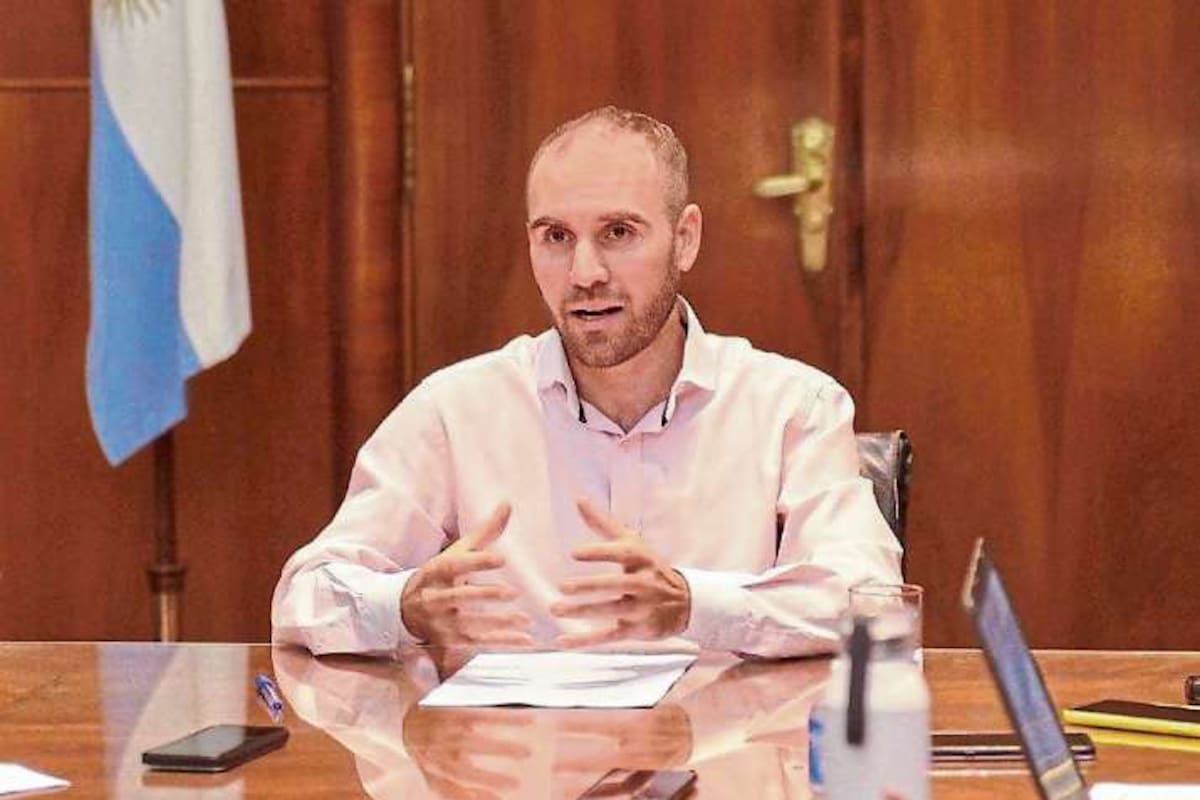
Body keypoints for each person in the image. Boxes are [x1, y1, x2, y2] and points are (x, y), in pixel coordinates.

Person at [271, 106, 901, 659]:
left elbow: (874, 607)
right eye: (556, 237)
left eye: (618, 234)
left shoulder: (794, 409)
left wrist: (694, 606)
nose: (585, 272)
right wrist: (402, 606)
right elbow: (305, 597)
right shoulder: (455, 410)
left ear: (685, 239)